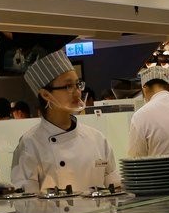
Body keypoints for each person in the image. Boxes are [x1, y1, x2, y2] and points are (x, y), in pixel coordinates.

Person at [11, 49, 118, 193]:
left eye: (77, 84)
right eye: (68, 86)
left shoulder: (98, 139)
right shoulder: (30, 144)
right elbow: (27, 205)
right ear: (45, 94)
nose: (77, 92)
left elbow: (116, 191)